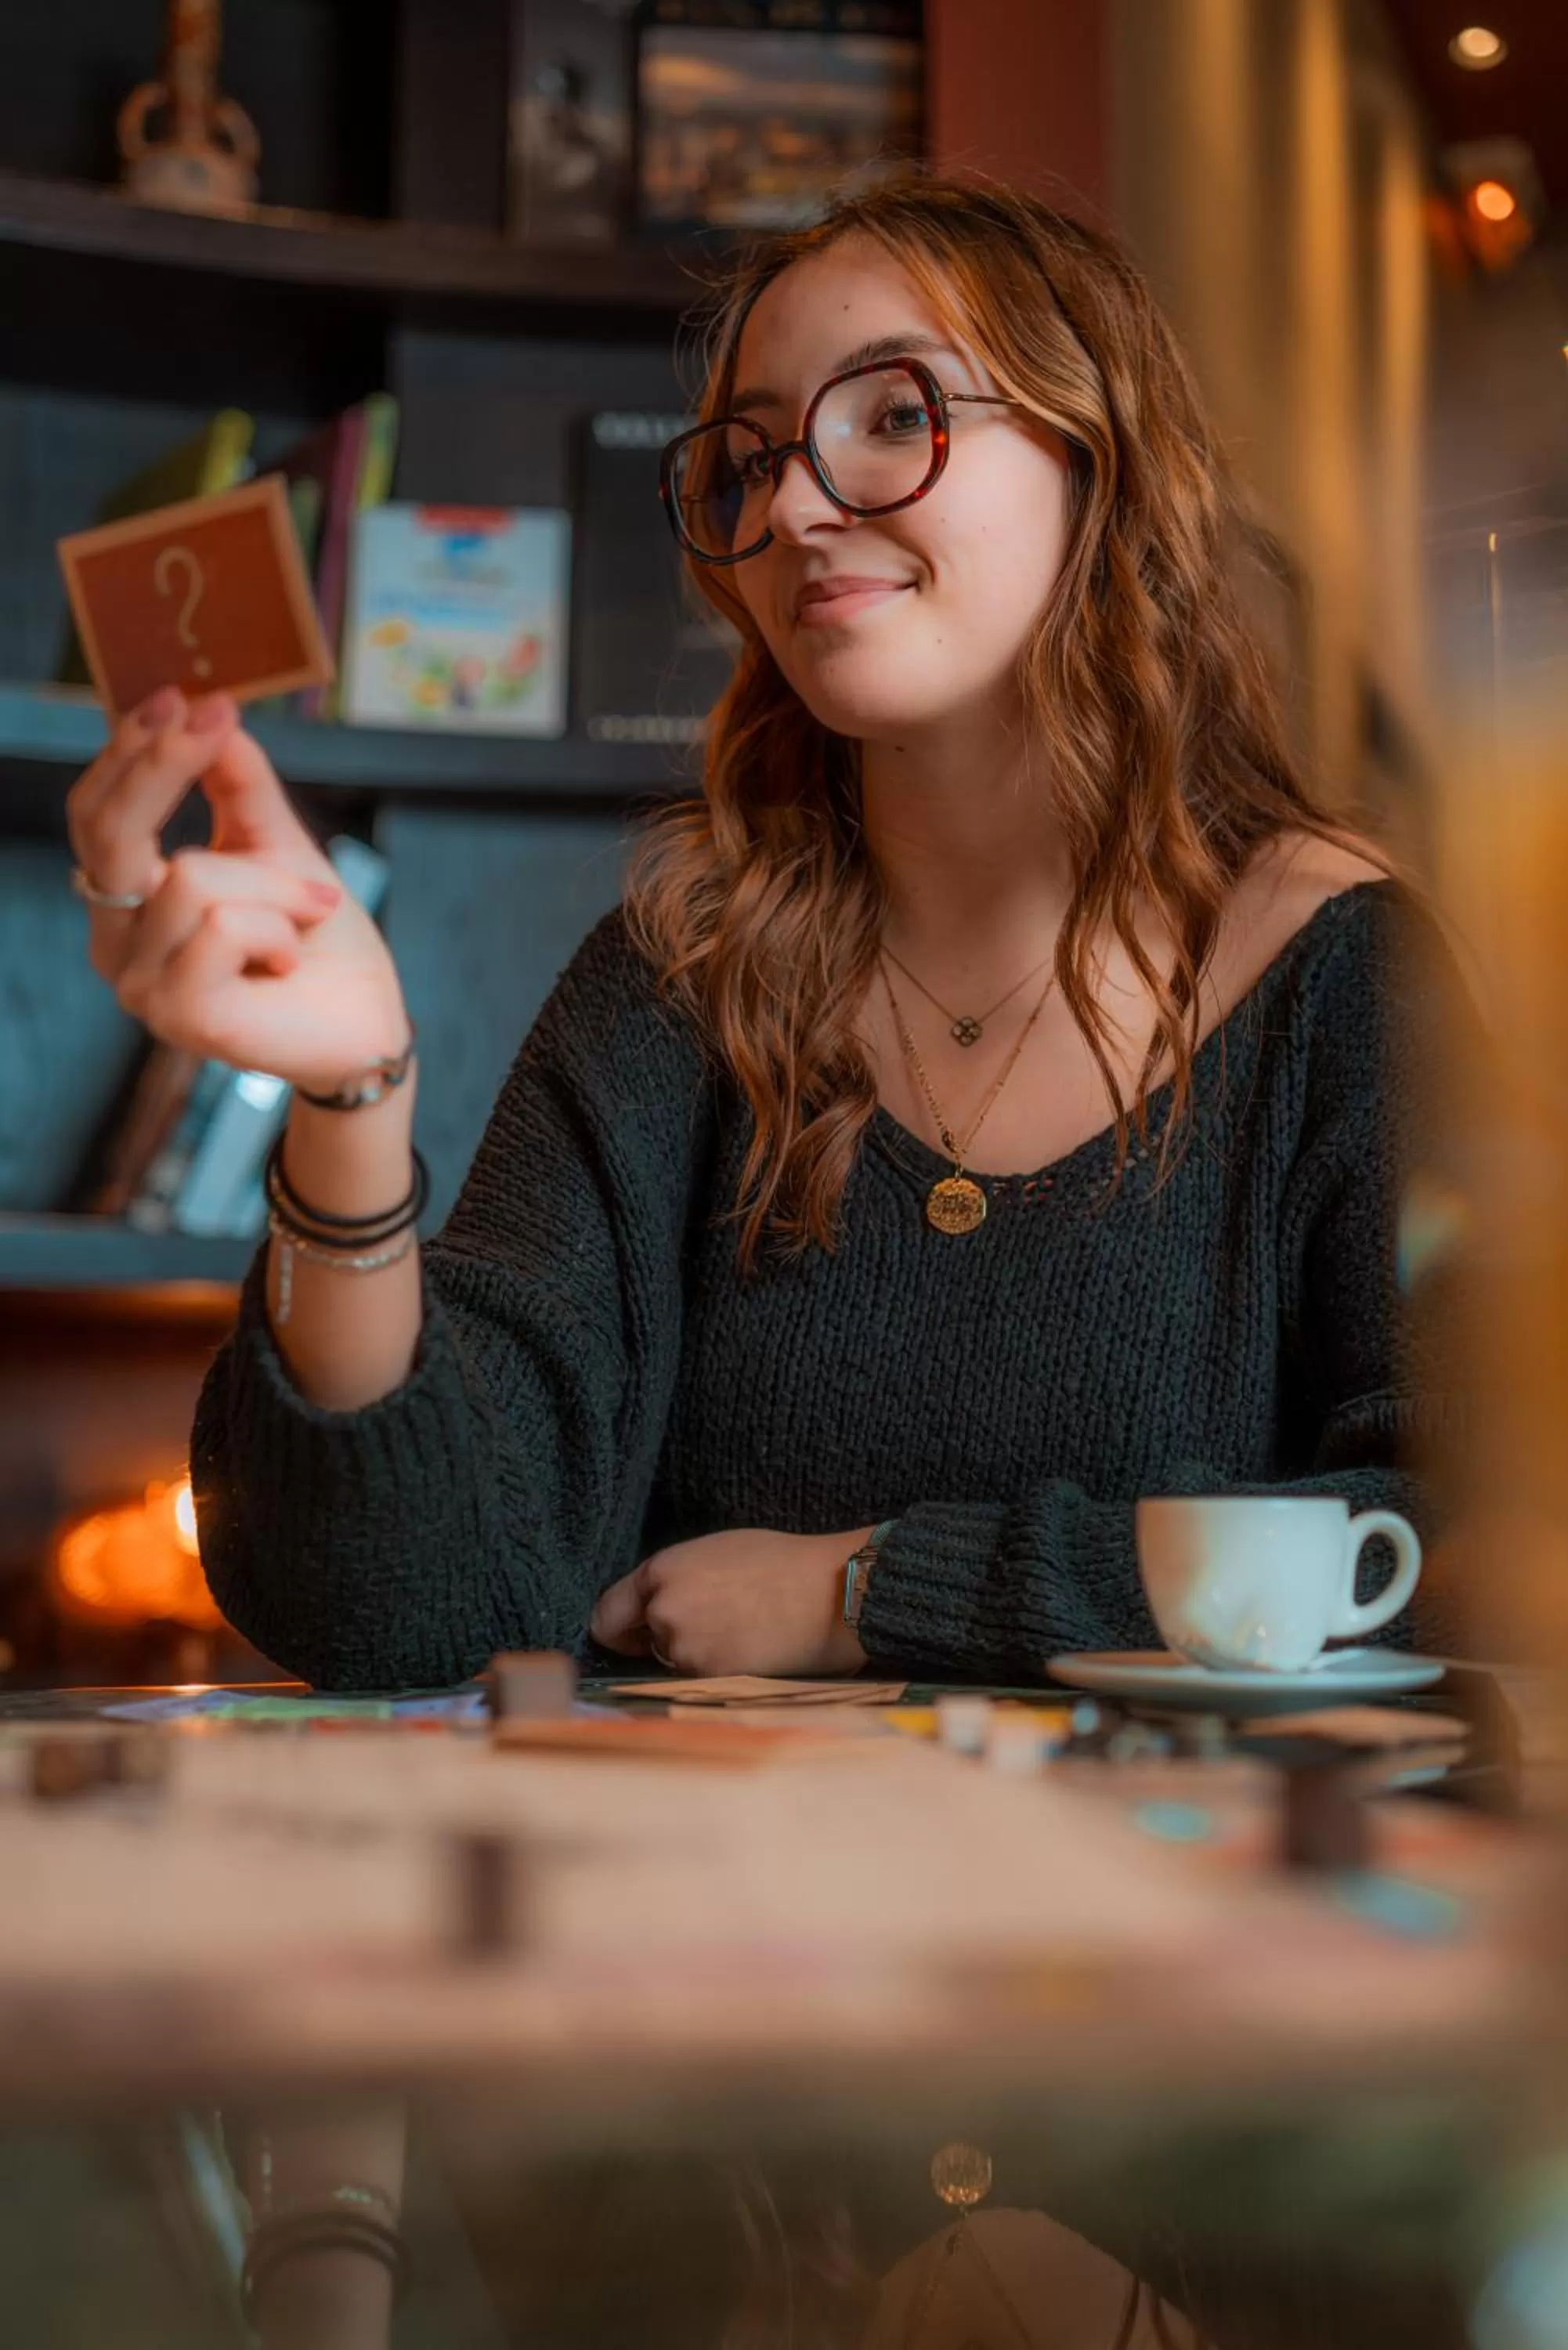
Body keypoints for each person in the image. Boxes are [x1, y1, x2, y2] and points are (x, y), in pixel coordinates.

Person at [66, 174, 1468, 1694]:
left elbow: (1471, 1537)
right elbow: (400, 1606)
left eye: (888, 415)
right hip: (715, 1916)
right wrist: (353, 1102)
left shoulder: (1342, 974)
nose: (792, 506)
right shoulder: (680, 979)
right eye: (747, 460)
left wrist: (873, 1592)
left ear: (1098, 457)